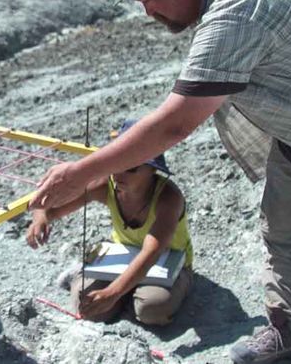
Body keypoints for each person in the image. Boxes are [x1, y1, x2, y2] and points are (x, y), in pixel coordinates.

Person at [30, 0, 291, 364]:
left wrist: (76, 173)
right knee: (286, 233)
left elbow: (174, 125)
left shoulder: (237, 8)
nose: (148, 12)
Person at [27, 120, 193, 325]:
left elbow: (153, 251)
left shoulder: (169, 197)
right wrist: (41, 217)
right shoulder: (106, 185)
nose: (120, 174)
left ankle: (141, 292)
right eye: (118, 164)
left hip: (168, 263)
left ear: (153, 170)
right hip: (122, 258)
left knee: (152, 309)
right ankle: (120, 291)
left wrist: (113, 292)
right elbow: (51, 205)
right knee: (88, 307)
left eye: (132, 168)